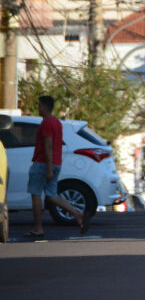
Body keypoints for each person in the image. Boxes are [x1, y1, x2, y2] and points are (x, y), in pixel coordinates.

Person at [28, 96, 89, 238]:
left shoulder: (46, 124)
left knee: (36, 194)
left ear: (44, 107)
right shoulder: (57, 122)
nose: (38, 108)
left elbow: (48, 146)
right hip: (56, 163)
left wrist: (48, 168)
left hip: (44, 163)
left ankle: (38, 228)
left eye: (39, 105)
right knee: (52, 195)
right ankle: (78, 214)